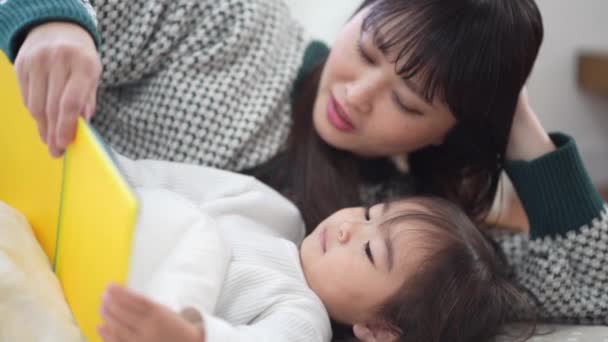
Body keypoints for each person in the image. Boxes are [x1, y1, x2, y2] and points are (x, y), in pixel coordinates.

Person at [0, 0, 606, 332]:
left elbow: (591, 285)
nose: (357, 93)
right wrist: (52, 18)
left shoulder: (409, 222)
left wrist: (514, 118)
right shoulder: (230, 27)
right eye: (367, 49)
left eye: (407, 102)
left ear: (449, 131)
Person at [94, 136, 607, 342]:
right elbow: (168, 180)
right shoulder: (273, 211)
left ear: (380, 328)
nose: (346, 226)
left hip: (121, 290)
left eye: (367, 250)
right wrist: (103, 164)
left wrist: (193, 336)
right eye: (367, 213)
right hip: (98, 213)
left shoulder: (301, 313)